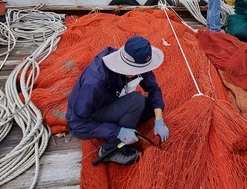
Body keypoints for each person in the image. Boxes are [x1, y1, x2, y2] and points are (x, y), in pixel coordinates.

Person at [65, 35, 170, 165]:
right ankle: (110, 150)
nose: (142, 72)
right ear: (126, 64)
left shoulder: (137, 60)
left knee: (151, 108)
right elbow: (77, 125)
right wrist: (119, 132)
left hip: (114, 100)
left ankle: (123, 125)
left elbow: (153, 88)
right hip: (90, 115)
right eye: (138, 70)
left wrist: (159, 120)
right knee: (136, 101)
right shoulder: (95, 83)